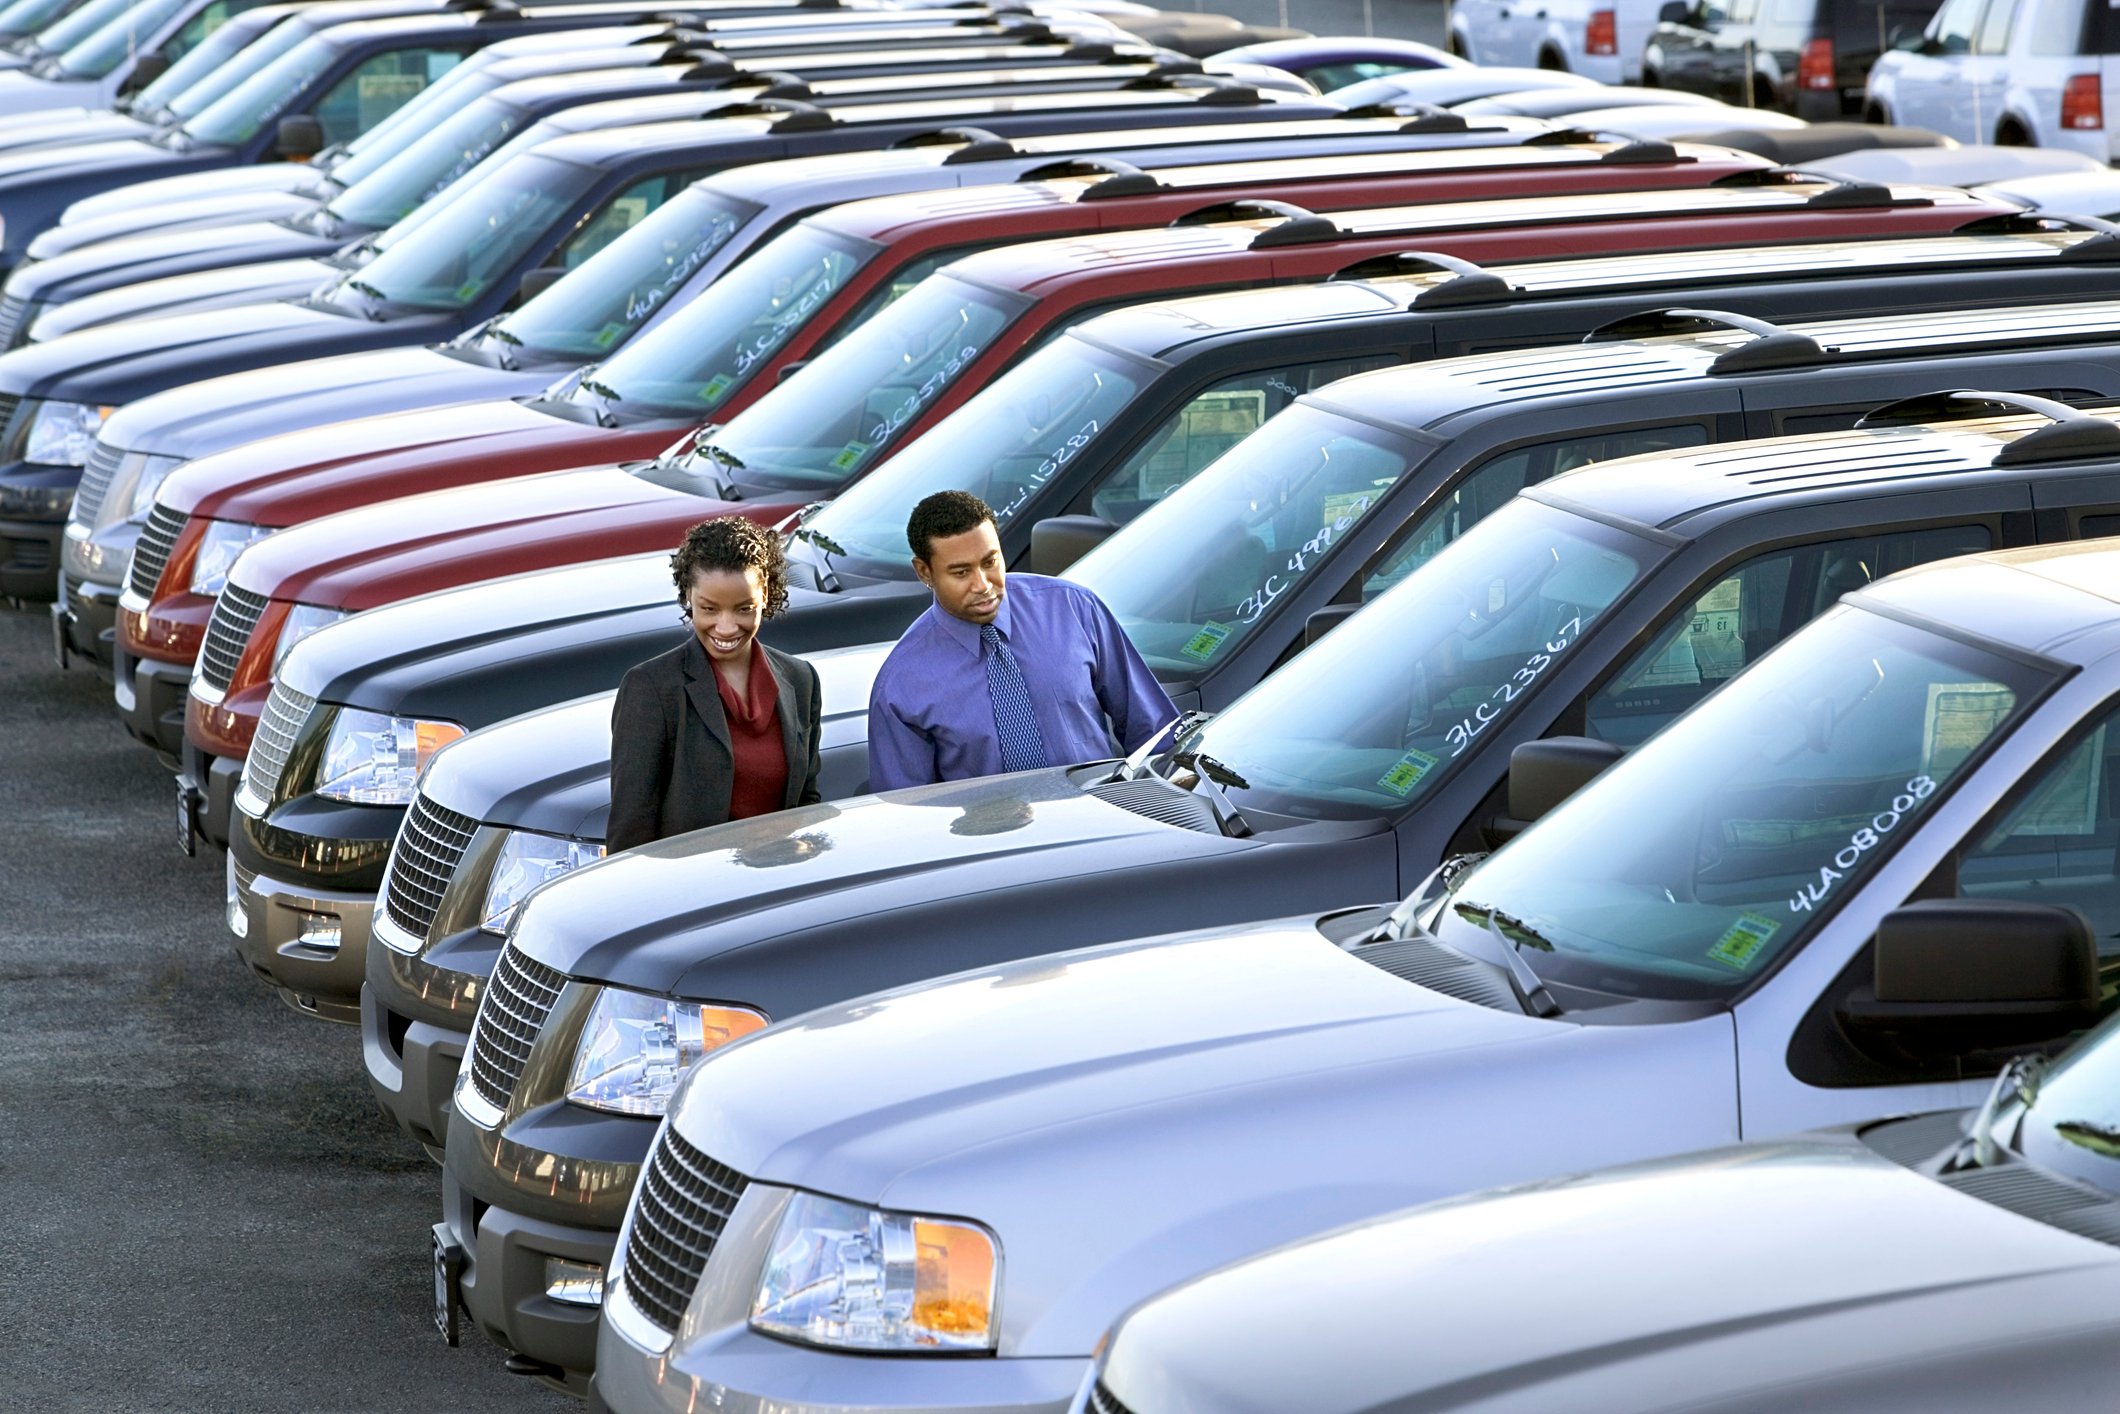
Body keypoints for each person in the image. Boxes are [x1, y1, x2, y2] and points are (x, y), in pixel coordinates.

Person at [868, 490, 1175, 790]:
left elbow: (1154, 731)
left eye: (990, 562)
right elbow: (908, 810)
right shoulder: (901, 682)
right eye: (961, 572)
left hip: (1101, 824)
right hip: (995, 840)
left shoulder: (1073, 609)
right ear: (924, 571)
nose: (983, 585)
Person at [607, 517, 823, 853]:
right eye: (709, 609)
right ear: (688, 596)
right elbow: (631, 827)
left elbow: (807, 801)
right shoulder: (651, 689)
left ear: (764, 594)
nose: (725, 627)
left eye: (743, 609)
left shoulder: (801, 680)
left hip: (777, 886)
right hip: (692, 892)